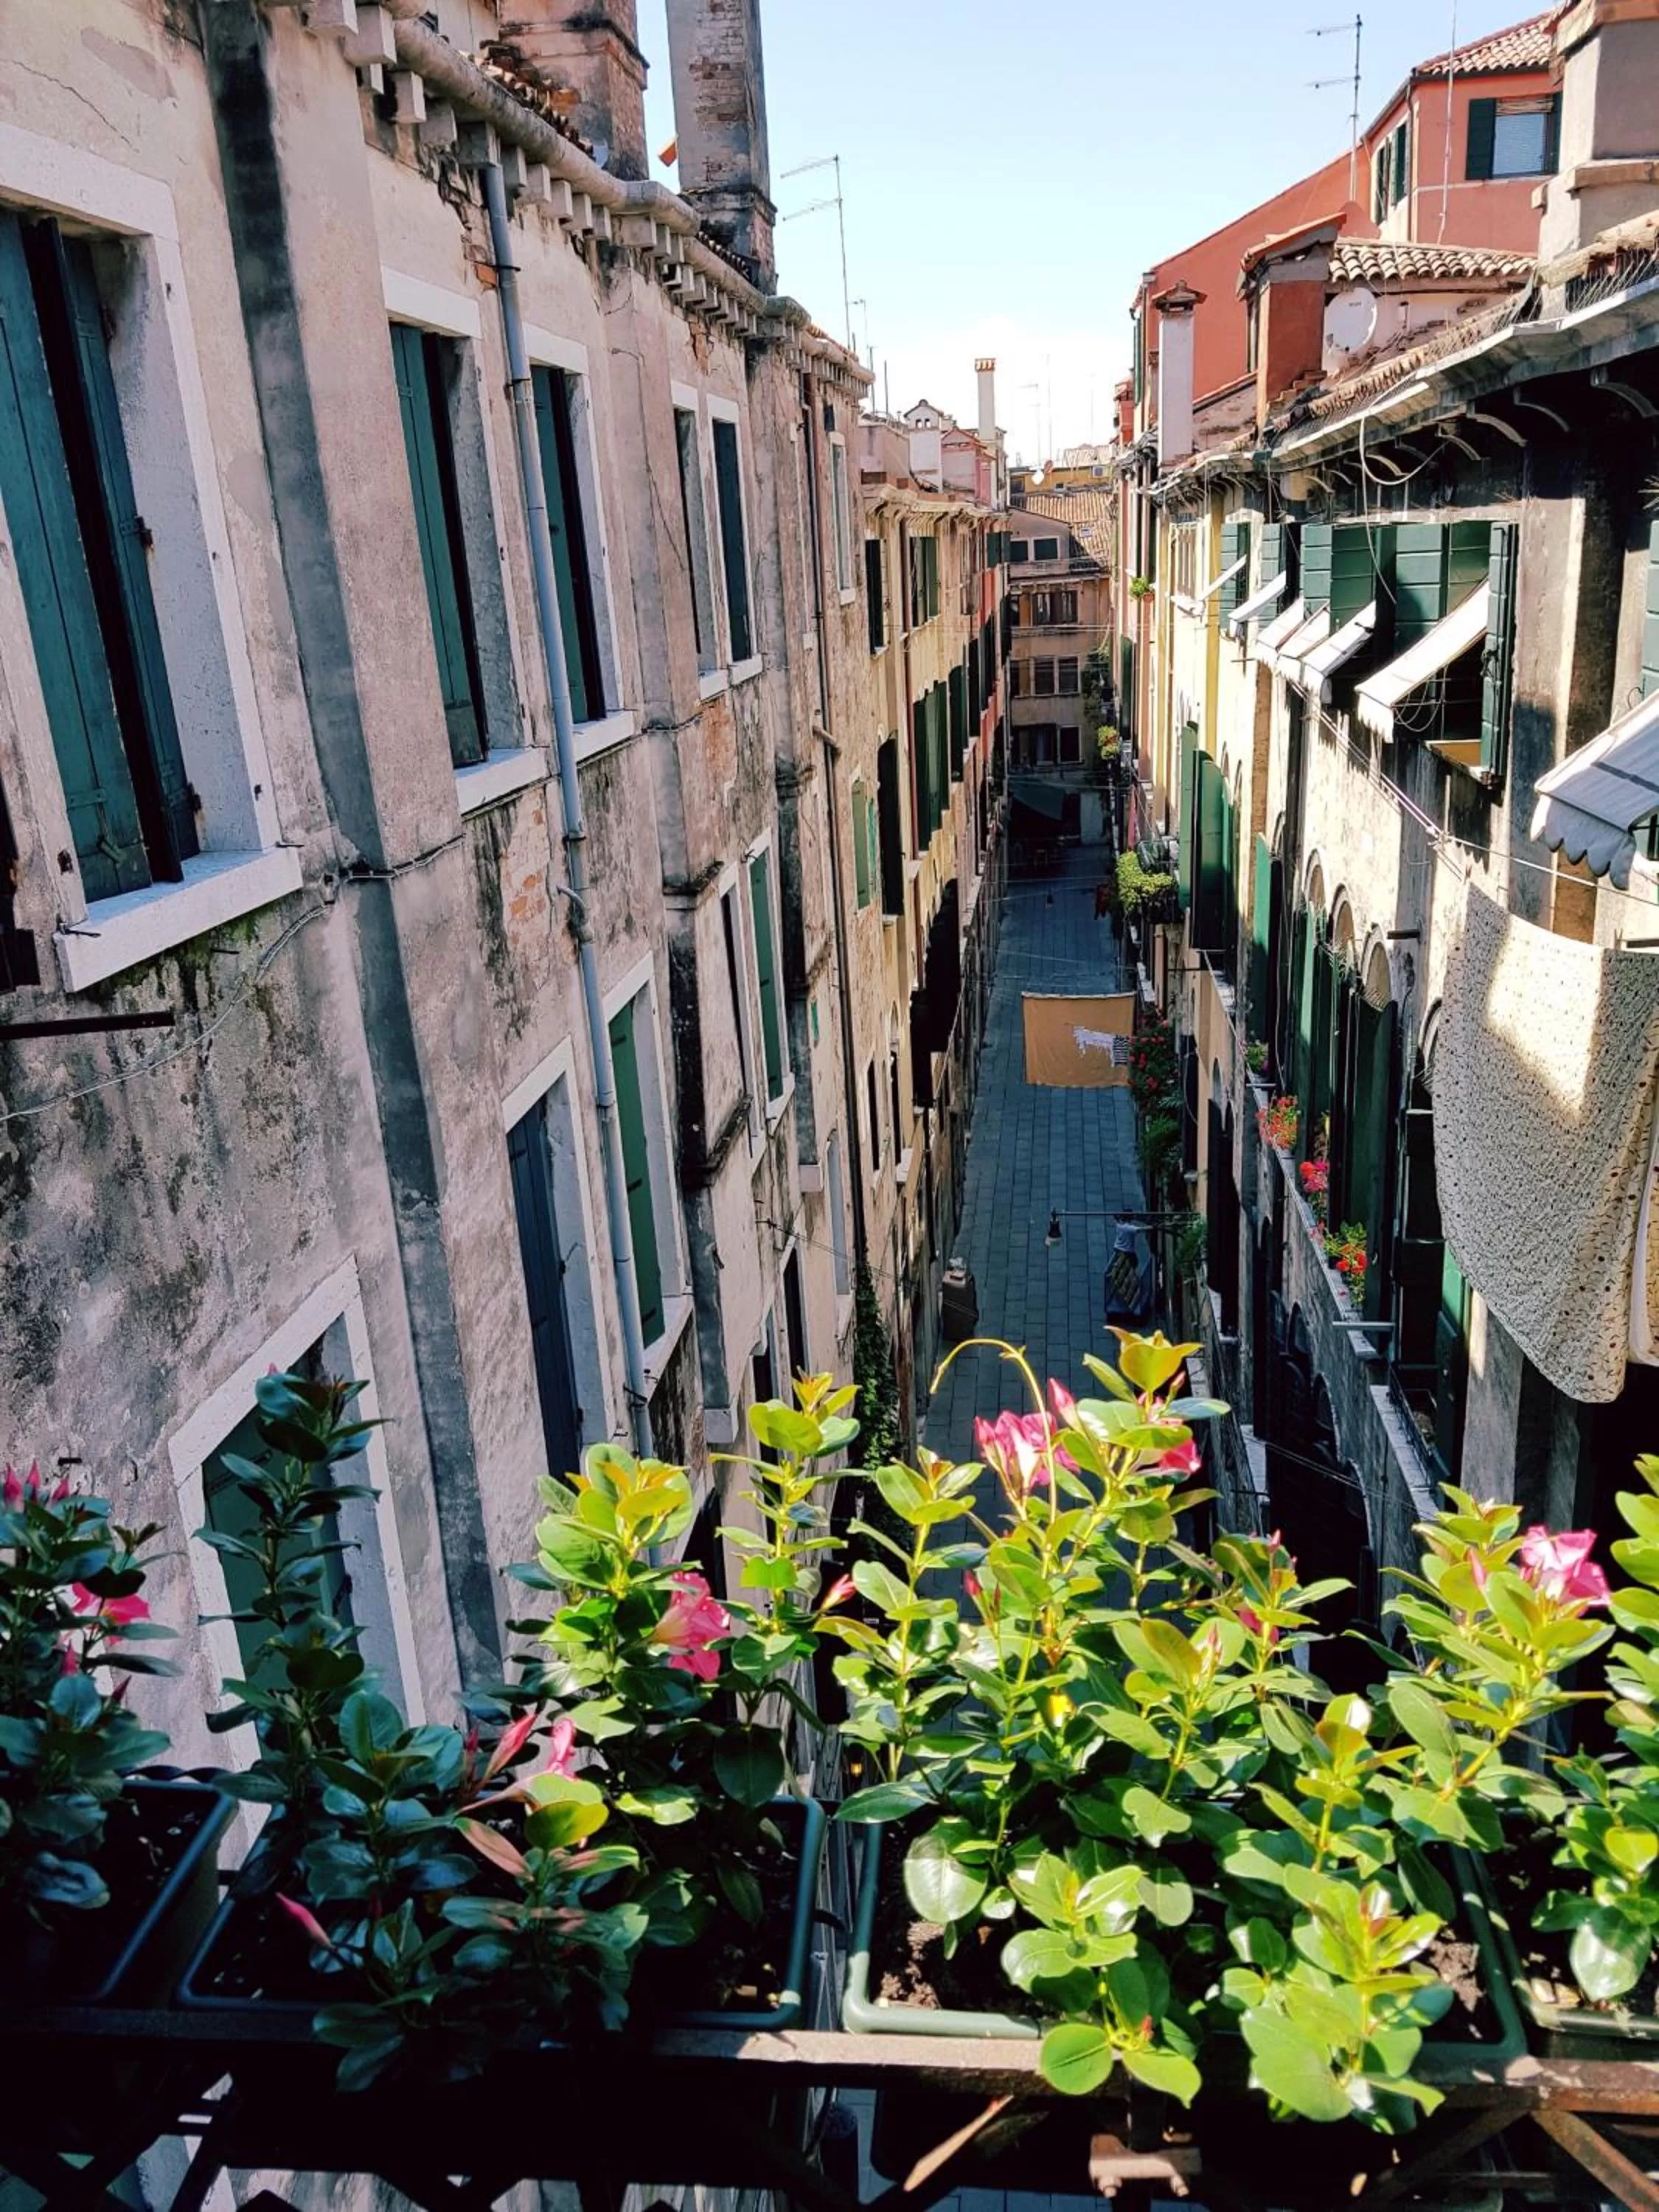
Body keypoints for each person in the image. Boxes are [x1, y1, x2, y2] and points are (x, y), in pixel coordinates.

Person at [1103, 1219, 1154, 1326]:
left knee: (1120, 1275)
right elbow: (1139, 1229)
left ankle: (1125, 1299)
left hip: (1120, 1252)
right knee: (1128, 1276)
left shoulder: (1119, 1225)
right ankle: (1132, 1301)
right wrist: (1152, 1227)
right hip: (1128, 1254)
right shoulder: (1128, 1228)